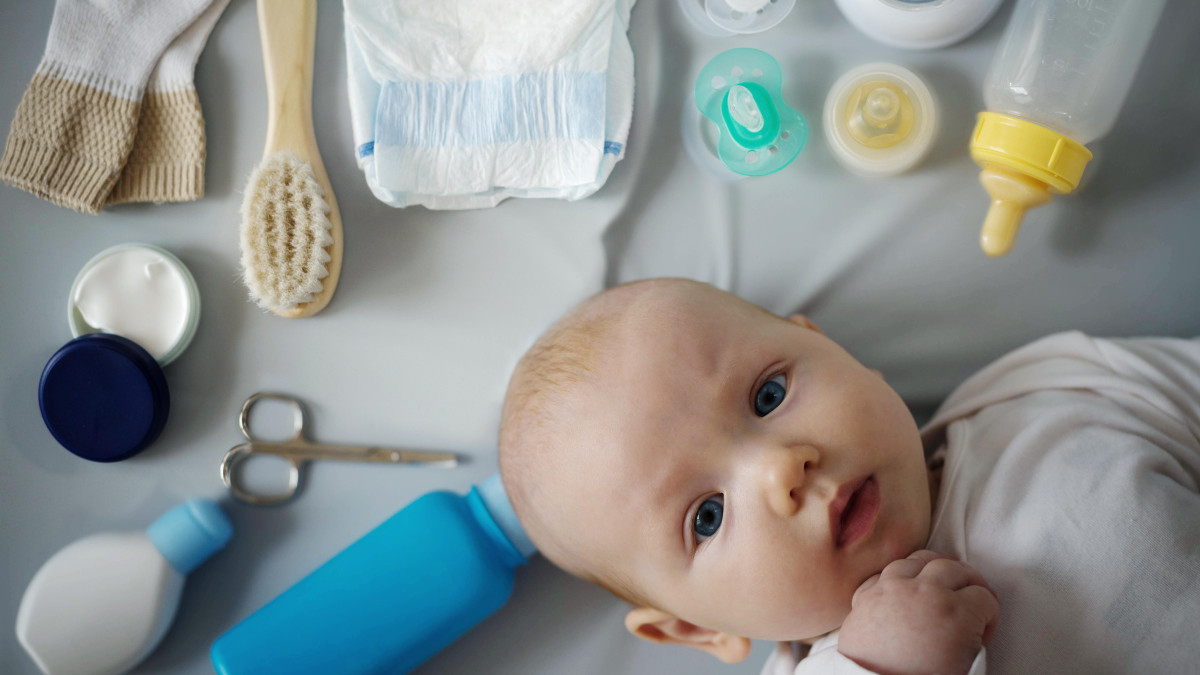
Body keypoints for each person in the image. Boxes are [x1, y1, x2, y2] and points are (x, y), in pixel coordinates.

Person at [498, 278, 1200, 674]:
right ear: (694, 627)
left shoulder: (1045, 394)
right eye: (706, 515)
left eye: (768, 396)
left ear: (831, 348)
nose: (782, 469)